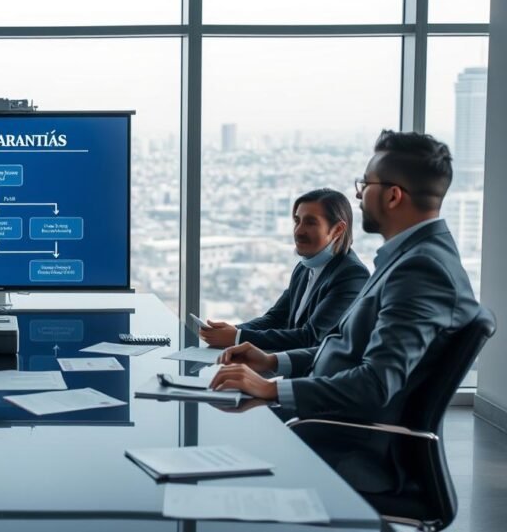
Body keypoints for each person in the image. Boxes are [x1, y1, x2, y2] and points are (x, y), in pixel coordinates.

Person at [210, 130, 480, 429]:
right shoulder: (409, 258)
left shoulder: (422, 270)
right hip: (323, 410)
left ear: (393, 196)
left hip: (338, 430)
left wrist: (269, 388)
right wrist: (272, 362)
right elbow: (348, 348)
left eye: (365, 184)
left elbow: (376, 383)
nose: (358, 194)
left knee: (211, 423)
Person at [198, 188, 369, 351]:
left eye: (310, 222)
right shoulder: (304, 268)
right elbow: (275, 318)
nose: (299, 231)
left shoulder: (352, 275)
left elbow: (310, 337)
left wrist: (237, 337)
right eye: (297, 221)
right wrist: (231, 330)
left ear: (338, 229)